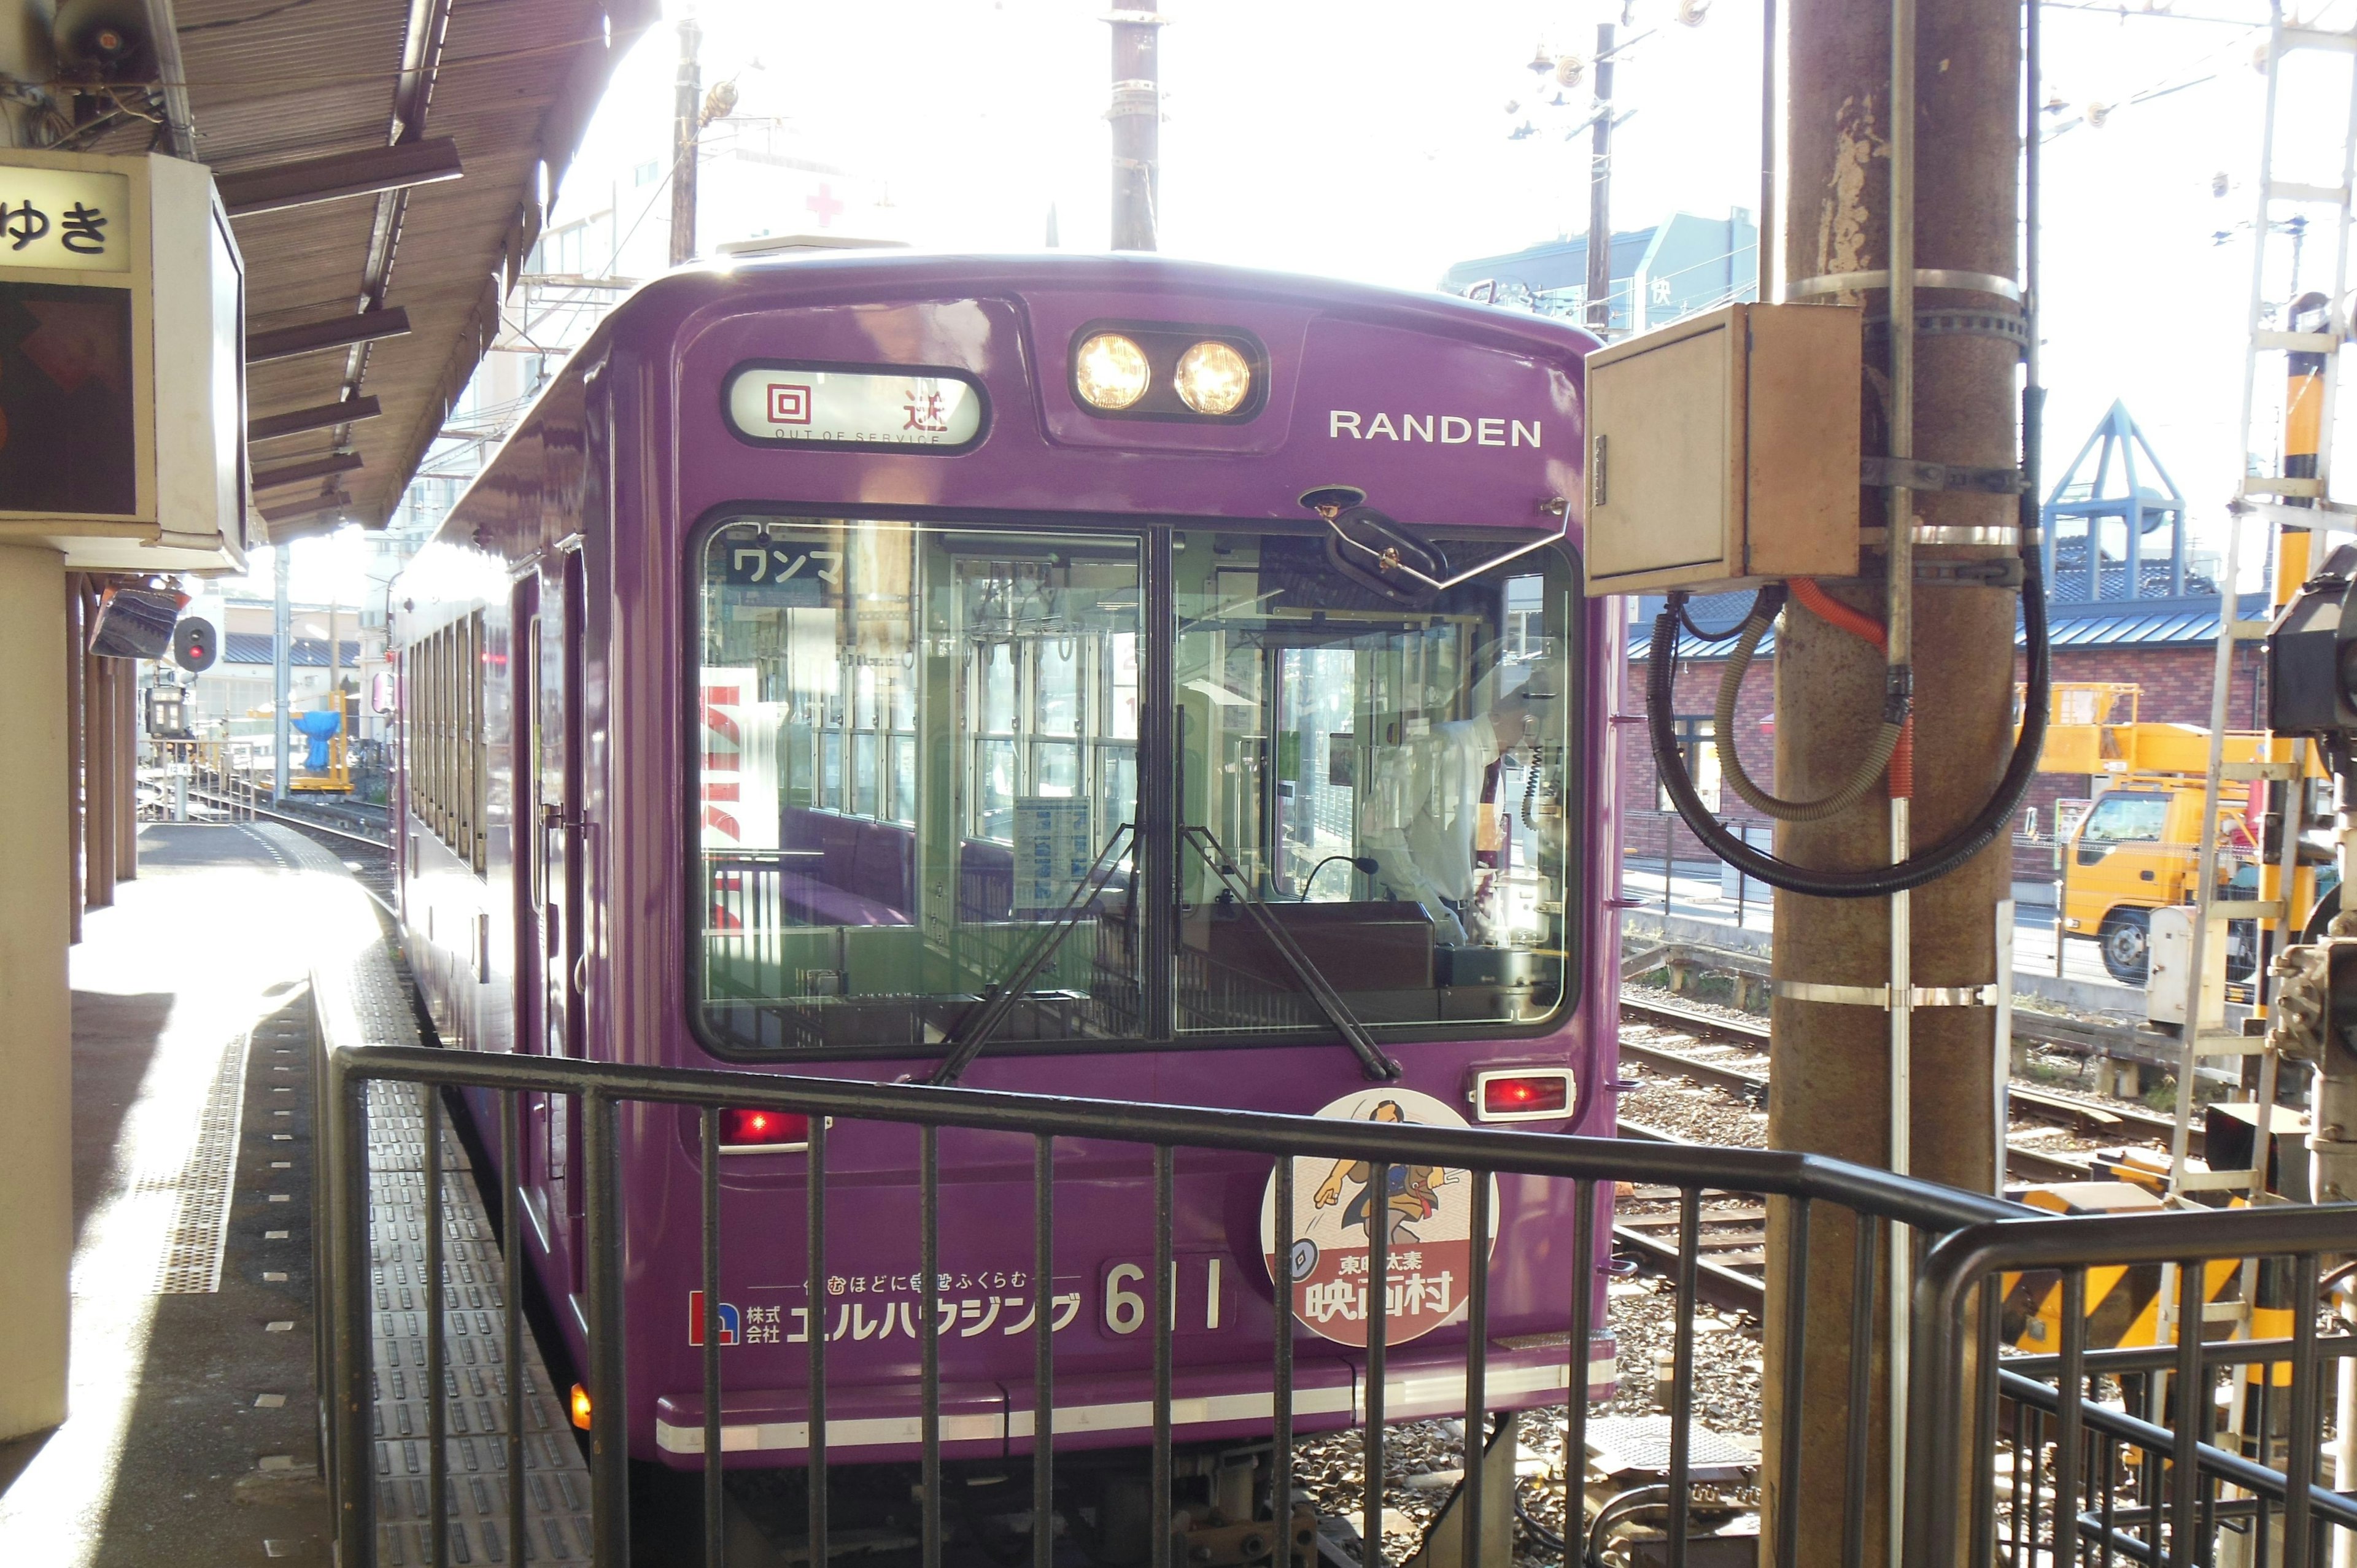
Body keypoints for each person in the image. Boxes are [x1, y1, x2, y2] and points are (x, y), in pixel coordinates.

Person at [1357, 682, 1549, 944]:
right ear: (1529, 722)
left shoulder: (1494, 767)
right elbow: (1379, 827)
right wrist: (1431, 911)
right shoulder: (1440, 743)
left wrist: (1491, 919)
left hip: (1467, 915)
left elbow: (1482, 849)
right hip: (1422, 914)